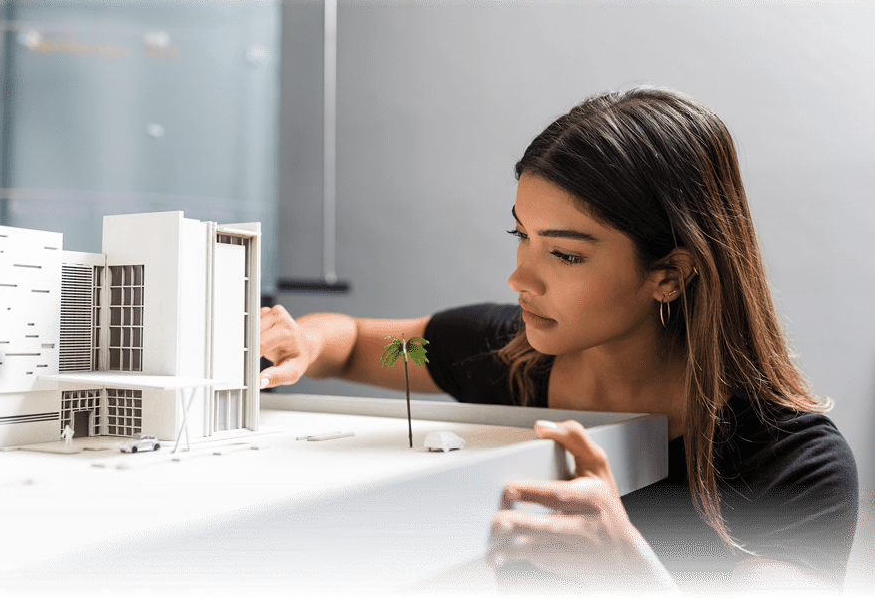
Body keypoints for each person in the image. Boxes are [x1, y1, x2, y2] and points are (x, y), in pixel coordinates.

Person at [258, 87, 858, 592]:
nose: (519, 277)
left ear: (669, 274)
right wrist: (302, 342)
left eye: (566, 253)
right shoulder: (505, 355)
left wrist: (635, 577)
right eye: (522, 235)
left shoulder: (794, 467)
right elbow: (353, 340)